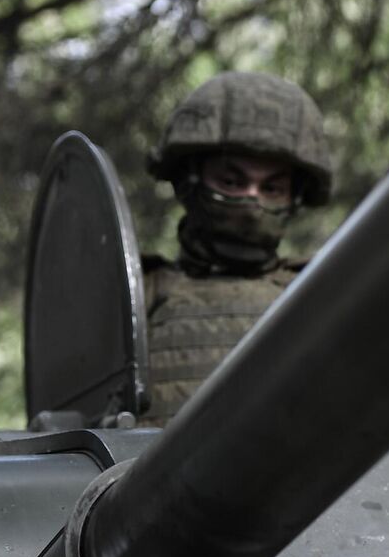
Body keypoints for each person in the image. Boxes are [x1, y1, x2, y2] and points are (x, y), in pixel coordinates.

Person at [140, 71, 333, 426]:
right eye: (231, 181)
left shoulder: (327, 294)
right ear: (189, 179)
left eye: (272, 188)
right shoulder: (136, 298)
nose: (251, 201)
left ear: (295, 197)